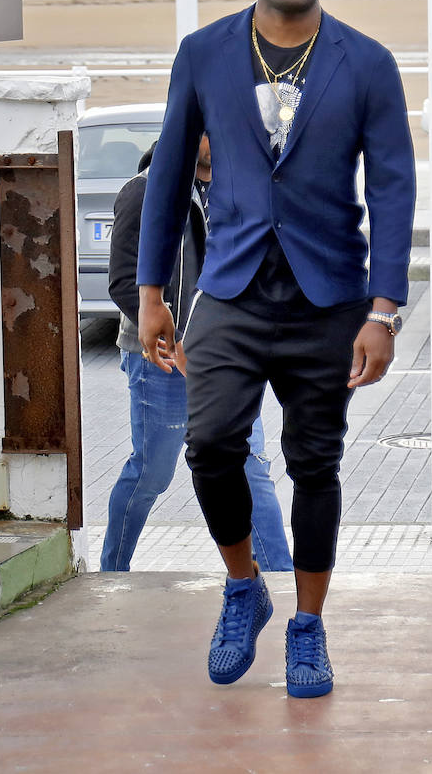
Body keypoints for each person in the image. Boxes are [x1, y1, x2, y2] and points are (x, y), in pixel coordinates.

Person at [136, 0, 415, 696]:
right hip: (230, 287)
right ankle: (242, 585)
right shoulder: (205, 55)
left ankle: (308, 625)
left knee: (314, 463)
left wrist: (384, 310)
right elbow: (164, 180)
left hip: (328, 296)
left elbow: (394, 189)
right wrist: (152, 296)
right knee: (211, 441)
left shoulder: (367, 64)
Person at [102, 135, 293, 574]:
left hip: (227, 359)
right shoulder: (146, 190)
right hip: (160, 362)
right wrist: (175, 339)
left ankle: (280, 576)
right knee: (153, 472)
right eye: (209, 124)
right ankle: (111, 570)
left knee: (249, 466)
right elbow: (122, 279)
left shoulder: (239, 186)